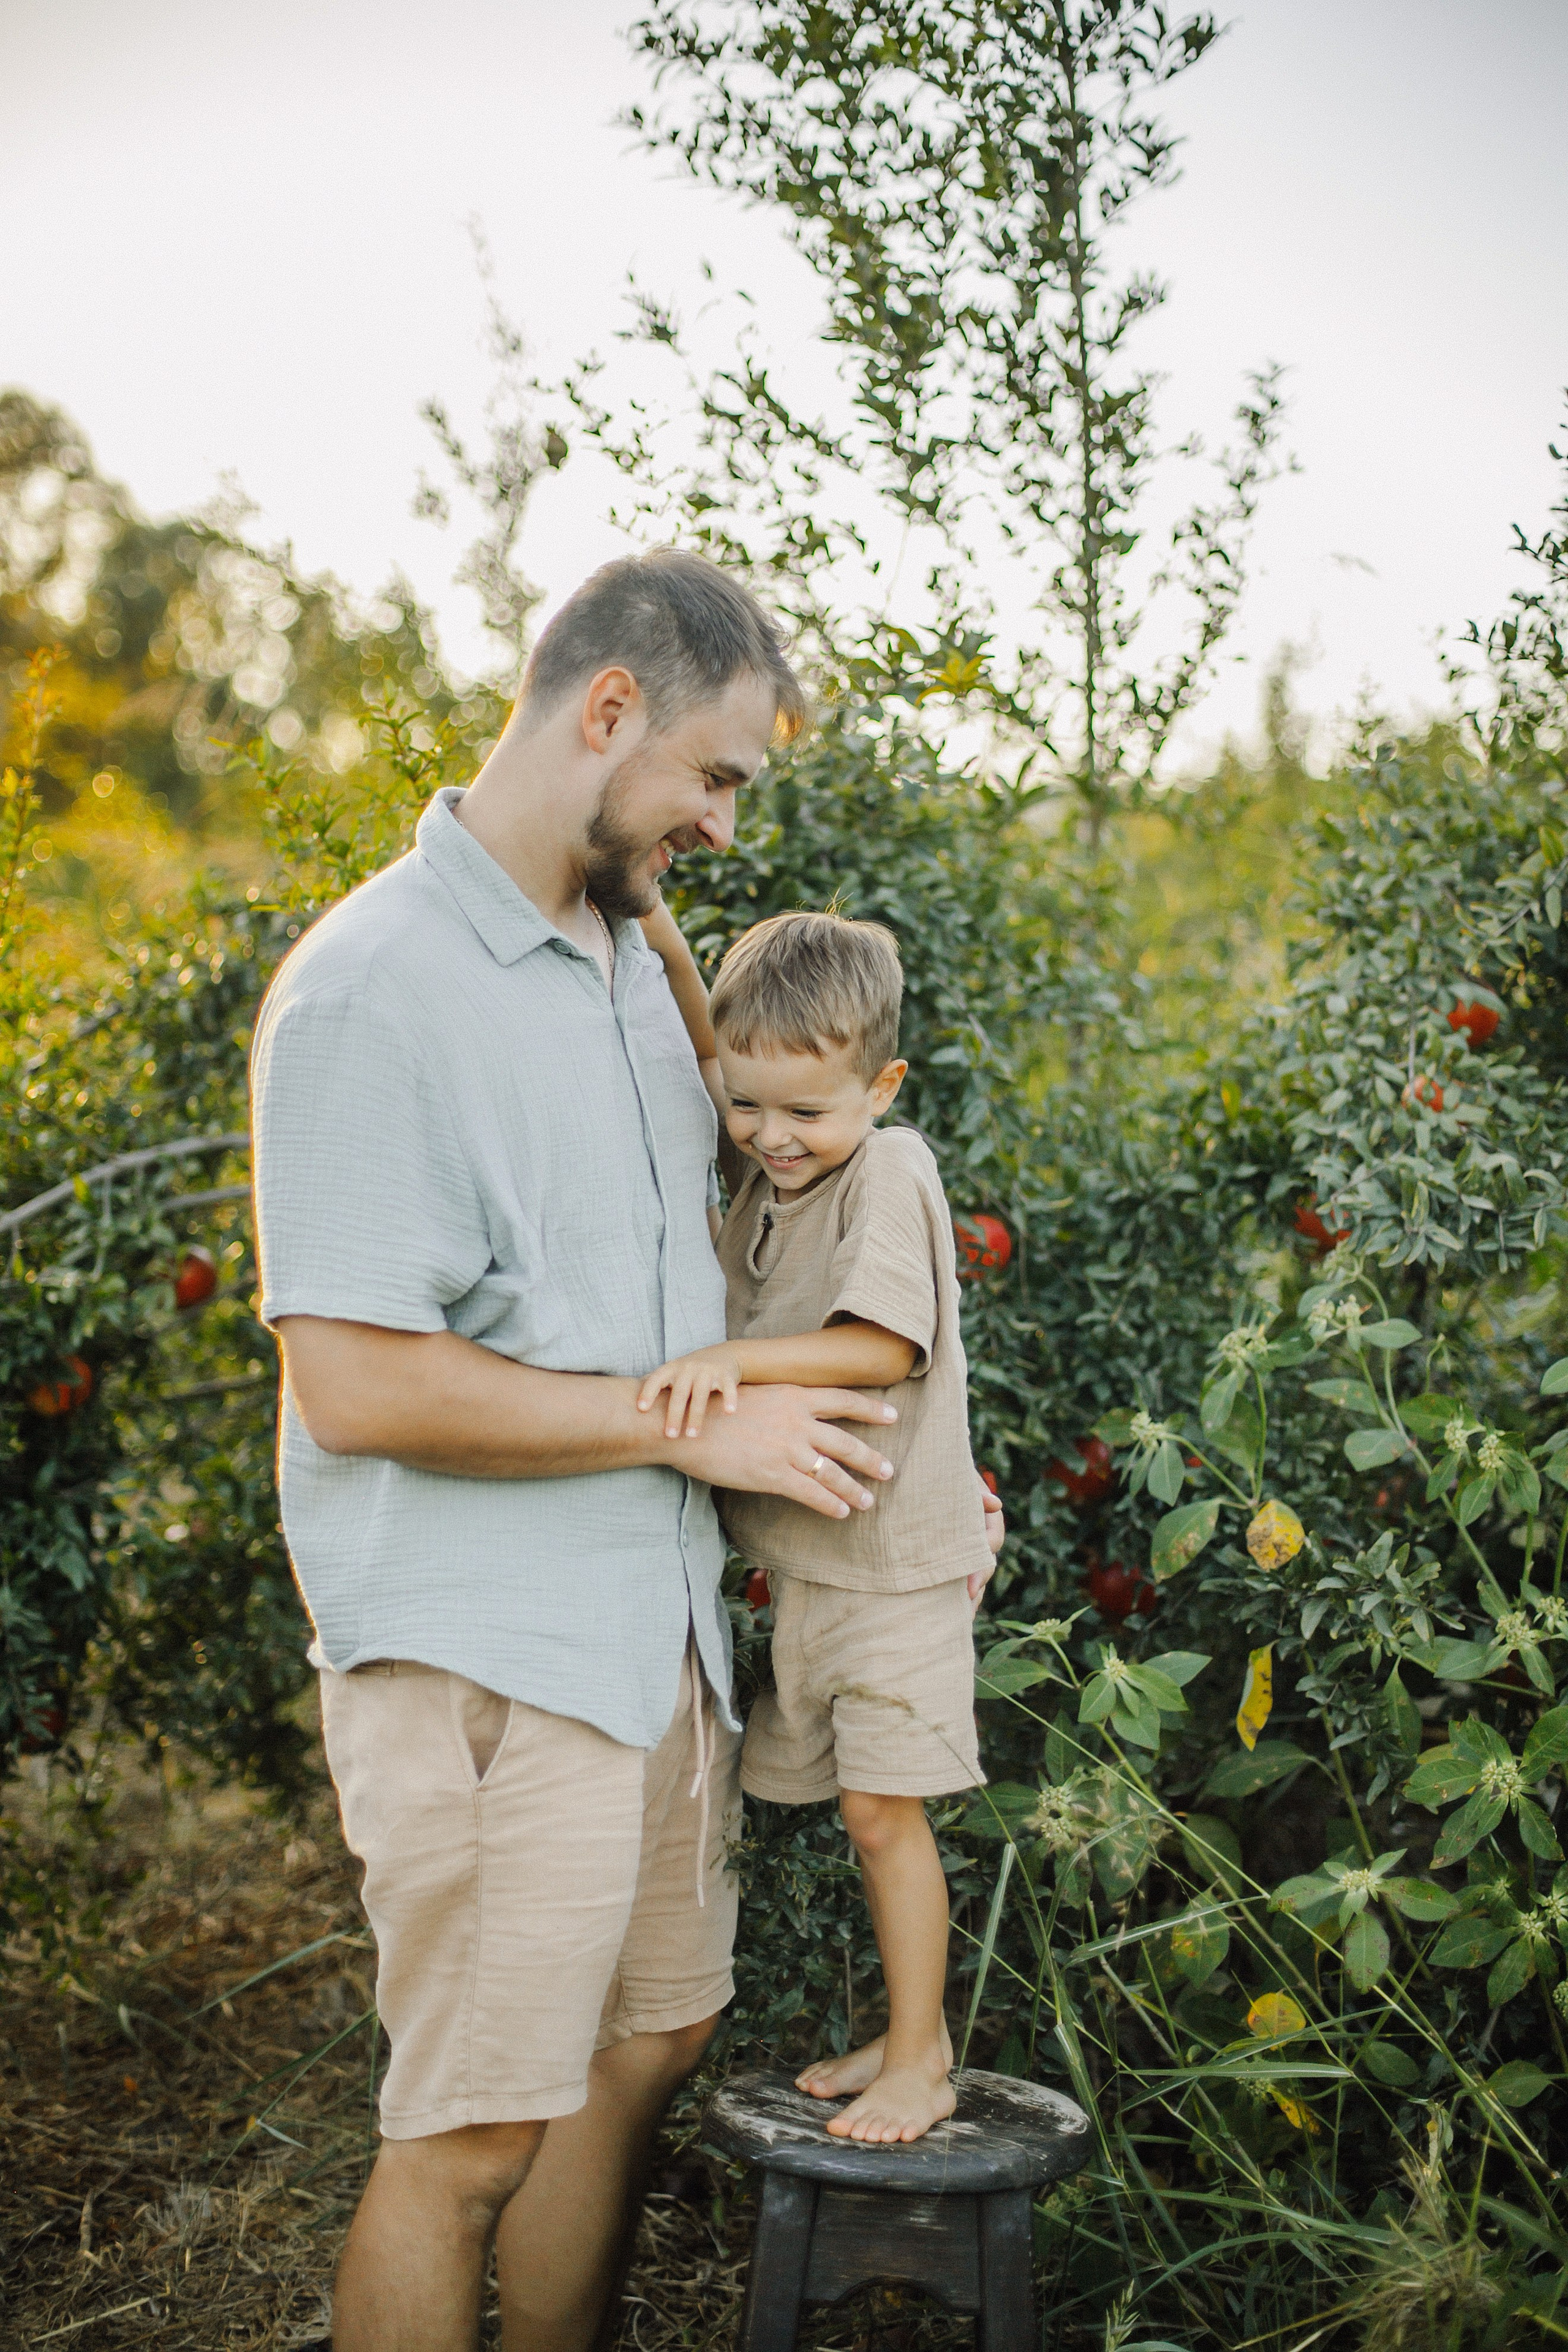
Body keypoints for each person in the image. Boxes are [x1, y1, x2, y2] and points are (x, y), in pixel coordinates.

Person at [249, 551, 907, 2352]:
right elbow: (356, 1387)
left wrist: (907, 1461)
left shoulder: (624, 954)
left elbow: (764, 1190)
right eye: (713, 777)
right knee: (468, 2136)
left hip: (649, 1634)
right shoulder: (375, 990)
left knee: (647, 2044)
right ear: (608, 710)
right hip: (490, 1656)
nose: (721, 824)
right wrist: (699, 1421)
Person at [636, 905, 1003, 2145]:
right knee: (849, 1814)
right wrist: (656, 921)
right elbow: (704, 1040)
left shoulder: (888, 1168)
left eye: (806, 1111)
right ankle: (903, 2036)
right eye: (748, 1108)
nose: (772, 1136)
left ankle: (923, 2060)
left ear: (881, 1087)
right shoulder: (766, 1164)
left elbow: (880, 1347)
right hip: (810, 1570)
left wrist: (726, 1364)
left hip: (891, 1572)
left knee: (885, 1815)